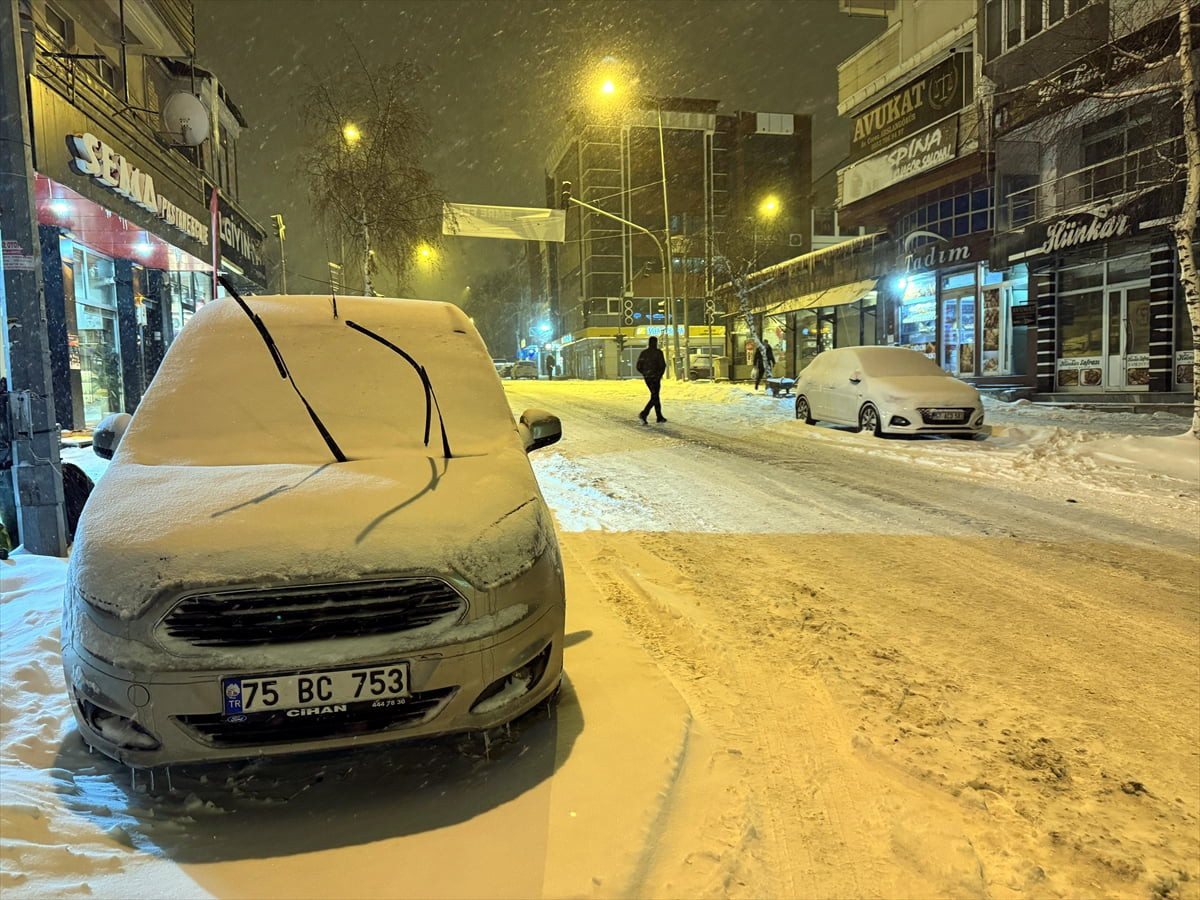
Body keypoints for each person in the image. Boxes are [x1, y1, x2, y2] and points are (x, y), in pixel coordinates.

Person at [635, 336, 668, 424]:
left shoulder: (644, 353)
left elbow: (638, 366)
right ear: (656, 343)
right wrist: (659, 374)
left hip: (648, 378)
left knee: (655, 395)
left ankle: (659, 416)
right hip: (655, 378)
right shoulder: (658, 353)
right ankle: (644, 413)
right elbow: (662, 365)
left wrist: (645, 373)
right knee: (655, 396)